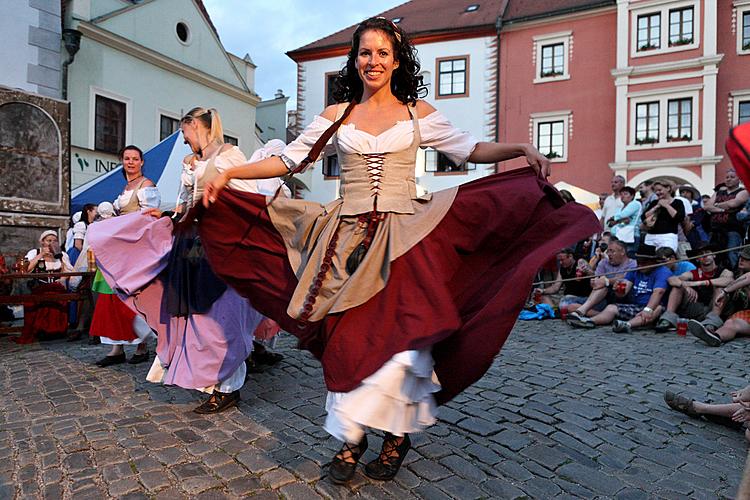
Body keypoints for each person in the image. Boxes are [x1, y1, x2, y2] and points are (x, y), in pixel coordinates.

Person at [197, 17, 600, 483]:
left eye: (383, 53)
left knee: (401, 342)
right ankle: (351, 438)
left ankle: (396, 434)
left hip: (404, 236)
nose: (373, 61)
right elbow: (289, 159)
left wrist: (520, 149)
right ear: (355, 60)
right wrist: (229, 174)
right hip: (344, 238)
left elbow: (469, 149)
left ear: (396, 61)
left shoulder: (416, 114)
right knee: (347, 336)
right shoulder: (337, 115)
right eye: (365, 53)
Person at [89, 110, 267, 414]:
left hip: (221, 243)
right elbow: (185, 205)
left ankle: (228, 387)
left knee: (221, 315)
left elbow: (248, 197)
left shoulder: (230, 155)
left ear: (196, 127)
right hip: (193, 244)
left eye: (185, 134)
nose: (184, 141)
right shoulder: (190, 164)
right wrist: (169, 215)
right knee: (194, 317)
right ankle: (212, 382)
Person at [90, 146, 158, 366]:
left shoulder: (146, 185)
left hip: (134, 247)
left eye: (135, 159)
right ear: (122, 161)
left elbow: (149, 219)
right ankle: (116, 347)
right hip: (118, 247)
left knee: (133, 296)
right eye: (127, 158)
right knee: (112, 296)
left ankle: (142, 346)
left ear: (142, 162)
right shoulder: (125, 187)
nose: (131, 162)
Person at [568, 245, 670, 333]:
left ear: (653, 261)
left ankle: (627, 325)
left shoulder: (662, 271)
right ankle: (590, 321)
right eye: (638, 261)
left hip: (654, 305)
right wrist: (618, 289)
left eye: (644, 262)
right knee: (611, 307)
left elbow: (659, 292)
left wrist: (648, 309)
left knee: (657, 309)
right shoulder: (635, 270)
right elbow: (624, 290)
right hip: (636, 305)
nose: (640, 265)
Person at [654, 246, 733, 332]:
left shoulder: (724, 271)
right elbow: (671, 279)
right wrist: (685, 286)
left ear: (714, 255)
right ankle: (668, 319)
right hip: (698, 308)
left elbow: (729, 281)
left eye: (707, 252)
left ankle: (711, 323)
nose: (704, 256)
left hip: (718, 309)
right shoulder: (693, 272)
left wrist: (701, 282)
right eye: (701, 254)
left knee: (720, 288)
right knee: (677, 287)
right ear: (697, 259)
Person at [15, 230, 73, 344]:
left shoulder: (61, 255)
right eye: (49, 240)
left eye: (54, 241)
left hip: (57, 286)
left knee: (57, 294)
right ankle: (41, 330)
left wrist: (62, 279)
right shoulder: (34, 252)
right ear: (42, 242)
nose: (51, 243)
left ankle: (58, 330)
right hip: (39, 286)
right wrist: (40, 255)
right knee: (43, 296)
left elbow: (69, 271)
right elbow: (26, 270)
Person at [565, 239, 637, 326]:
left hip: (623, 296)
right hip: (603, 298)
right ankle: (596, 315)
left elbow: (626, 277)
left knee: (603, 285)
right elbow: (597, 279)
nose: (609, 254)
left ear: (622, 252)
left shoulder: (632, 263)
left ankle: (584, 313)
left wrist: (606, 281)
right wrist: (594, 282)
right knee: (569, 307)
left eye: (612, 251)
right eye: (608, 251)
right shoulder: (604, 262)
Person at [687, 247, 750, 346]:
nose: (741, 259)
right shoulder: (738, 274)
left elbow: (747, 278)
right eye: (741, 257)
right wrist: (686, 285)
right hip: (743, 313)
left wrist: (725, 291)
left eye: (746, 258)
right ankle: (714, 336)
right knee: (731, 324)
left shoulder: (747, 276)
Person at [704, 169, 748, 268]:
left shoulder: (743, 192)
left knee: (731, 253)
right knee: (714, 255)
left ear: (739, 179)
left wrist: (715, 206)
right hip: (715, 230)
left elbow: (733, 203)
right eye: (727, 177)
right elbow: (706, 206)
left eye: (732, 177)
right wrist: (723, 210)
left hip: (732, 230)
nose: (728, 179)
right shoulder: (719, 192)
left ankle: (736, 274)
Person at [640, 179, 685, 251]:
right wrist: (656, 207)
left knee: (666, 259)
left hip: (668, 237)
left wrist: (667, 206)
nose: (657, 193)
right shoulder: (654, 202)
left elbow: (679, 218)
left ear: (668, 188)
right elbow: (643, 217)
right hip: (651, 236)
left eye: (660, 190)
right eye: (656, 191)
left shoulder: (678, 202)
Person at [607, 186, 640, 256]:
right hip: (620, 236)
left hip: (631, 235)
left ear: (632, 196)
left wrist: (614, 219)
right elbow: (616, 220)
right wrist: (617, 220)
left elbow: (623, 215)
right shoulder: (622, 207)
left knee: (628, 255)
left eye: (625, 194)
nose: (622, 196)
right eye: (621, 194)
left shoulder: (635, 204)